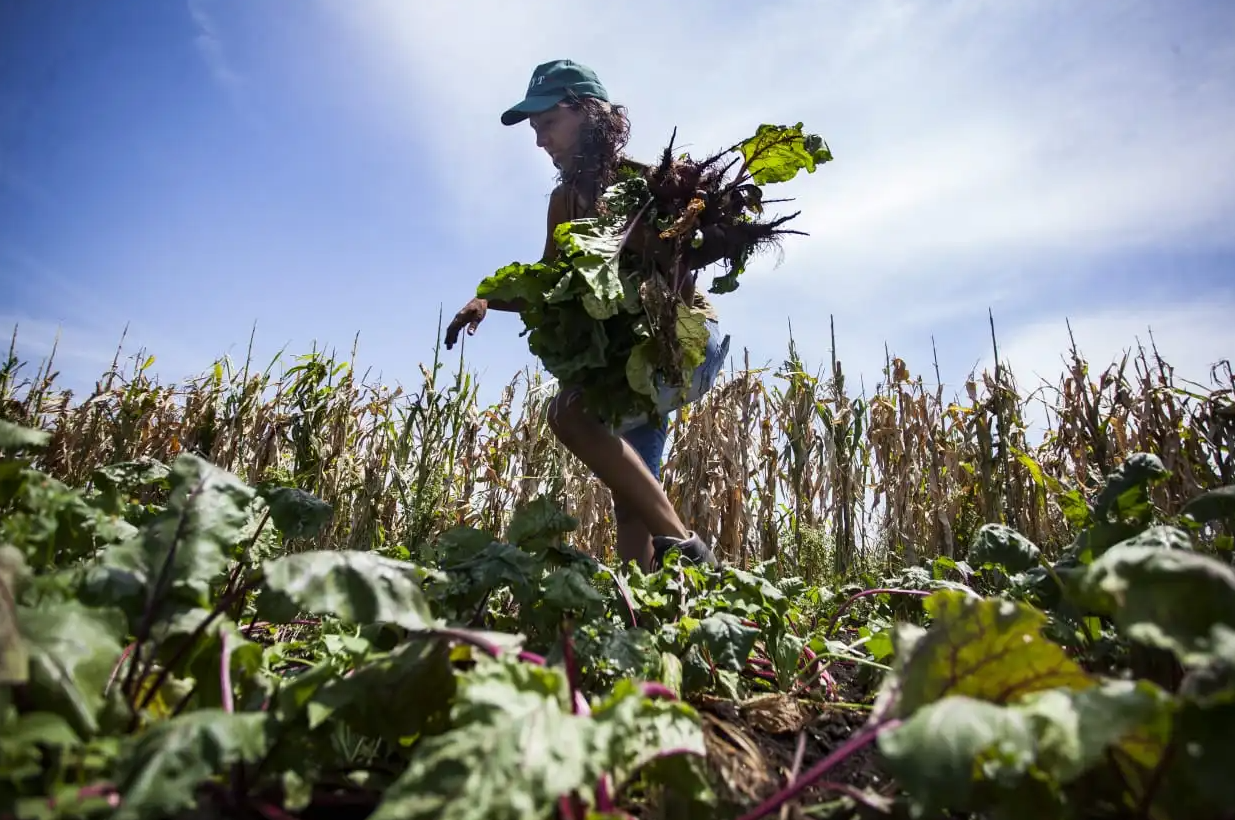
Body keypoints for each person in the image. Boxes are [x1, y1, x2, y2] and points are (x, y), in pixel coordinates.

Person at [444, 59, 729, 573]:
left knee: (569, 412)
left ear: (588, 113)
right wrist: (490, 299)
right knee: (633, 492)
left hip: (682, 341)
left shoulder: (646, 183)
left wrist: (663, 259)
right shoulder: (564, 201)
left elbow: (687, 271)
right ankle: (647, 612)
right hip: (627, 354)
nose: (540, 141)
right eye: (535, 130)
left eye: (548, 123)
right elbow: (549, 283)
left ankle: (687, 550)